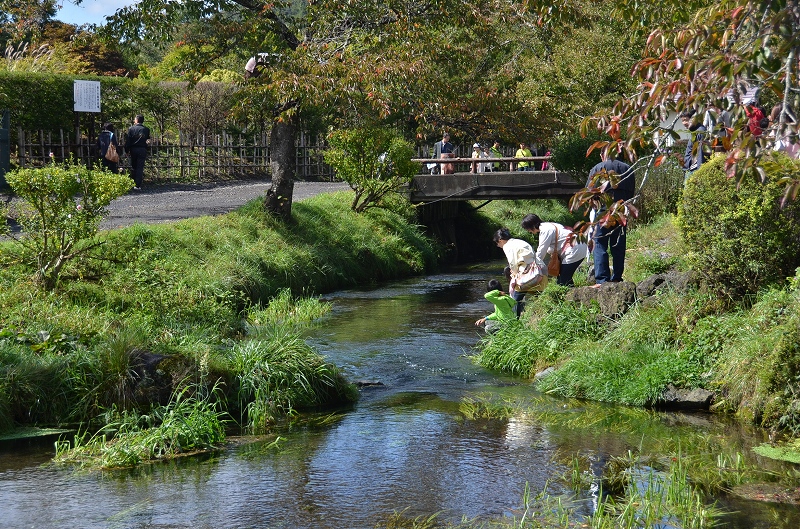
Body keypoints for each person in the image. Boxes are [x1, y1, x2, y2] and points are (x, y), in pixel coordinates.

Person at [586, 152, 636, 286]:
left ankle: (602, 279)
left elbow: (589, 192)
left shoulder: (598, 168)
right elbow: (632, 192)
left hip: (603, 211)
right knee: (618, 245)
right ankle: (617, 278)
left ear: (604, 154)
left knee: (599, 243)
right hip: (621, 211)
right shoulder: (629, 168)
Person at [493, 227, 547, 317]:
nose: (498, 246)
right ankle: (545, 313)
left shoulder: (507, 246)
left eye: (497, 243)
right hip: (540, 270)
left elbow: (512, 263)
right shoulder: (518, 241)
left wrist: (514, 274)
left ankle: (516, 321)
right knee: (540, 295)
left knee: (515, 299)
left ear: (500, 240)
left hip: (529, 274)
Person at [521, 213, 588, 286]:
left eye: (527, 229)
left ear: (531, 226)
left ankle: (572, 295)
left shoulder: (545, 231)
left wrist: (532, 266)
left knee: (562, 281)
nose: (528, 231)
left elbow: (541, 251)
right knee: (565, 278)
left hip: (574, 251)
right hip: (580, 247)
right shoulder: (550, 225)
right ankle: (574, 293)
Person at [681, 109, 707, 182]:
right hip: (691, 170)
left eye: (686, 120)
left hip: (694, 172)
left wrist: (699, 174)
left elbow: (701, 155)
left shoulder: (700, 132)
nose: (684, 123)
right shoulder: (695, 132)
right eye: (682, 121)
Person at [126, 115, 150, 190]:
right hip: (142, 149)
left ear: (136, 120)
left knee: (133, 166)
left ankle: (133, 182)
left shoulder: (131, 129)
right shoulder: (146, 129)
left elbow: (128, 141)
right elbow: (148, 140)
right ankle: (138, 184)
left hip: (133, 149)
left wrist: (127, 150)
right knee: (140, 167)